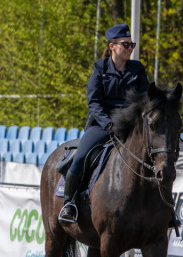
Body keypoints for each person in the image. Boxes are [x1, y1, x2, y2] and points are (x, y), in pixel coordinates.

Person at [59, 23, 149, 223]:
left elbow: (145, 98)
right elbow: (94, 103)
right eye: (125, 44)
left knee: (156, 157)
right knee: (81, 157)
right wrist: (108, 124)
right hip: (103, 126)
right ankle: (69, 203)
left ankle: (166, 211)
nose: (130, 48)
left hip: (131, 125)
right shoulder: (100, 68)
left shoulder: (137, 69)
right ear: (112, 46)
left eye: (132, 45)